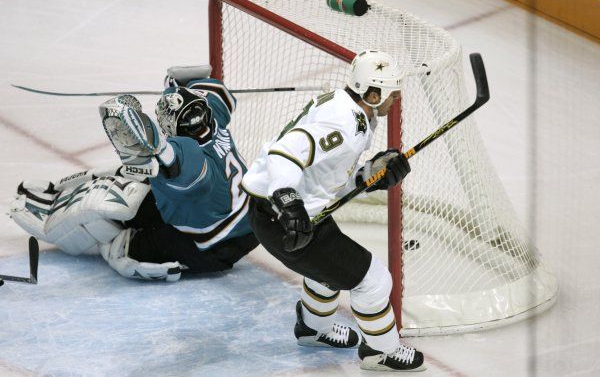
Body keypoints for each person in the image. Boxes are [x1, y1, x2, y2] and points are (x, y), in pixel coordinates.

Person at [241, 50, 425, 372]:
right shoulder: (345, 123)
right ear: (372, 93)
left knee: (329, 272)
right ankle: (381, 352)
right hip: (285, 219)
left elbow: (326, 175)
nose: (395, 98)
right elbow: (284, 153)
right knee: (374, 281)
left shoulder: (349, 108)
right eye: (391, 92)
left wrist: (368, 175)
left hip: (281, 214)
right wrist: (289, 202)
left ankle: (314, 329)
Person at [10, 66, 258, 282]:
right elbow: (219, 93)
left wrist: (154, 145)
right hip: (248, 222)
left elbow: (176, 160)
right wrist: (179, 86)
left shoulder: (188, 154)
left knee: (124, 251)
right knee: (133, 185)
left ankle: (140, 253)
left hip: (209, 246)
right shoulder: (212, 115)